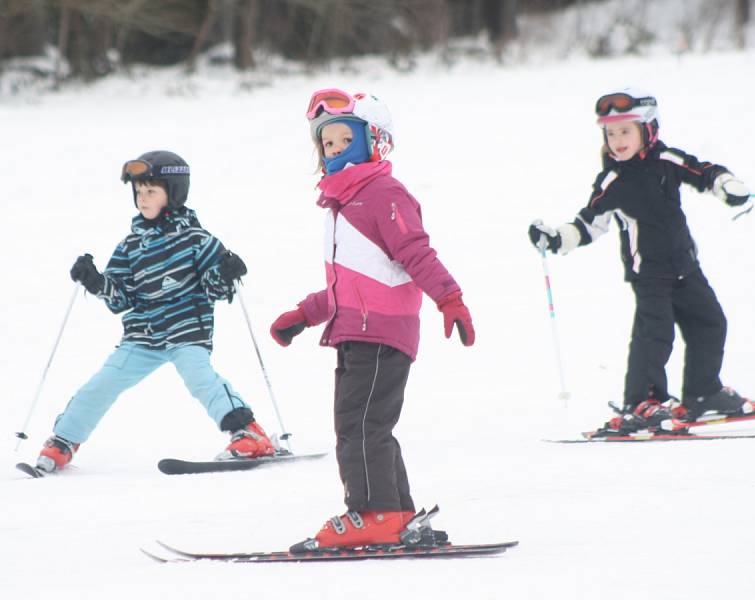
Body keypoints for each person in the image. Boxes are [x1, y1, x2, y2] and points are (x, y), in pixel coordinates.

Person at [271, 89, 475, 550]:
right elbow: (355, 281)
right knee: (367, 425)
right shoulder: (343, 206)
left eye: (346, 140)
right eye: (328, 143)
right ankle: (396, 512)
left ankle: (373, 513)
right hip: (357, 332)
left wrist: (450, 298)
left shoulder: (383, 194)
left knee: (360, 427)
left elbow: (415, 253)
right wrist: (306, 313)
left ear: (374, 141)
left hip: (380, 334)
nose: (336, 150)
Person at [528, 88, 755, 436]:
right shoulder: (613, 181)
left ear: (648, 129)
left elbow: (704, 172)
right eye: (610, 133)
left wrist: (727, 185)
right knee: (655, 335)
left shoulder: (667, 161)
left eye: (626, 131)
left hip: (685, 265)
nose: (617, 141)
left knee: (711, 322)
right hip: (649, 275)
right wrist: (557, 238)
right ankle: (641, 402)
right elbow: (589, 224)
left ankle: (703, 393)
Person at [36, 150, 276, 473]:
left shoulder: (196, 239)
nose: (142, 198)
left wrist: (226, 272)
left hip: (186, 330)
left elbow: (213, 289)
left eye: (151, 191)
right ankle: (63, 440)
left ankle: (249, 432)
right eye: (138, 191)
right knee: (104, 382)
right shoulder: (130, 246)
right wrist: (95, 282)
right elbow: (120, 299)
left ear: (173, 193)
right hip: (142, 336)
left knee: (199, 377)